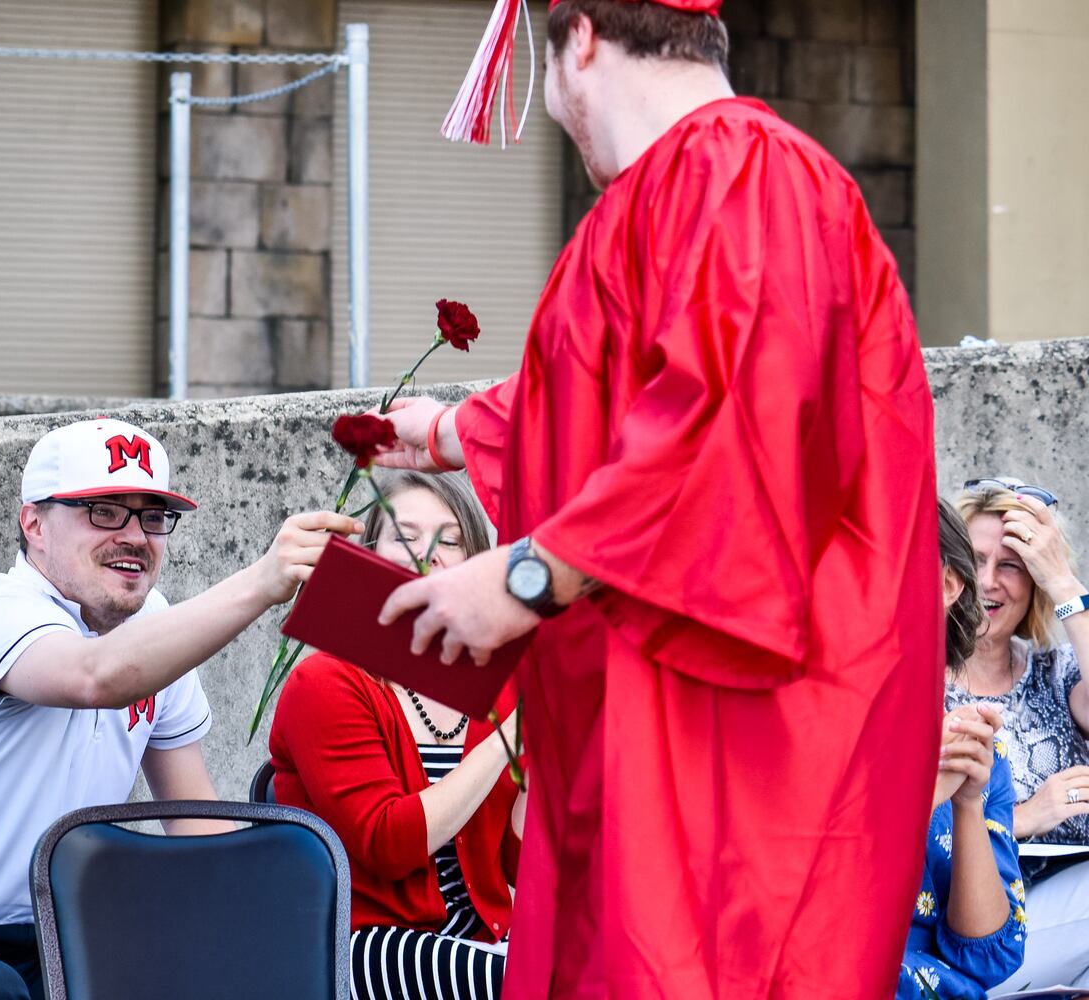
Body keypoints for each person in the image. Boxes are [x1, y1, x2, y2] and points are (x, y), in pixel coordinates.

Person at [373, 0, 942, 995]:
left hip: (729, 746)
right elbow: (604, 414)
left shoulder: (741, 168)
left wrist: (523, 575)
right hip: (638, 738)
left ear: (578, 40)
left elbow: (728, 416)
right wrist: (436, 432)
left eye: (545, 86)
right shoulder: (667, 199)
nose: (552, 113)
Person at [0, 417, 361, 1000]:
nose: (134, 535)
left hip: (46, 939)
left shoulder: (152, 631)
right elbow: (95, 677)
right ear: (35, 524)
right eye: (103, 510)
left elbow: (196, 823)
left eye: (152, 516)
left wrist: (263, 933)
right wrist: (260, 583)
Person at [269, 471, 524, 1000]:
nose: (426, 554)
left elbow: (512, 864)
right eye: (404, 538)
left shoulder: (499, 689)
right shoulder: (325, 682)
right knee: (537, 985)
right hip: (365, 943)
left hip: (481, 935)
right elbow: (388, 843)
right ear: (370, 556)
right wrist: (508, 739)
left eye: (450, 539)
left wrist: (535, 770)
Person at [943, 479, 1089, 994]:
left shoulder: (1057, 673)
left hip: (1063, 928)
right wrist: (1024, 816)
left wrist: (1065, 583)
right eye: (974, 561)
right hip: (967, 933)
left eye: (1010, 565)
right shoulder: (915, 680)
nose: (988, 582)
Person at [896, 500, 1025, 999]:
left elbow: (988, 952)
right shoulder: (797, 729)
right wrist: (922, 797)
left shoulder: (977, 748)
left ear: (948, 585)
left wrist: (968, 803)